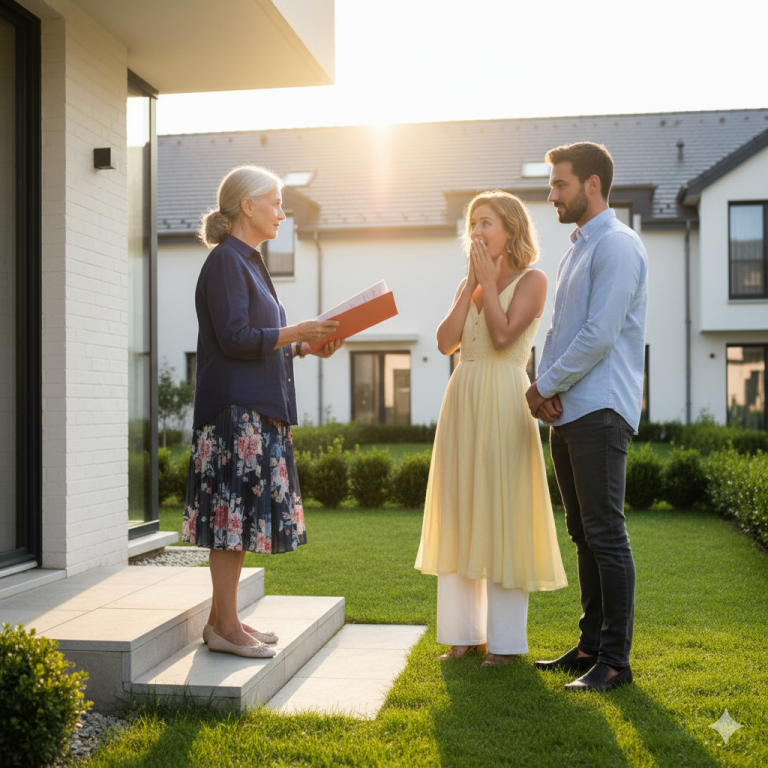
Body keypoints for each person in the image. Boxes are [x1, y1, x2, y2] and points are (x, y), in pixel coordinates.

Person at [182, 165, 343, 658]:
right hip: (235, 413)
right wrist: (297, 333)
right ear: (247, 206)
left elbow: (256, 344)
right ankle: (226, 628)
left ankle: (222, 623)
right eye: (274, 201)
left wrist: (304, 348)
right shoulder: (228, 261)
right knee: (231, 522)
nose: (281, 211)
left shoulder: (248, 261)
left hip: (253, 408)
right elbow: (233, 338)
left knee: (237, 521)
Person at [415, 191, 567, 667]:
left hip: (505, 396)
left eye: (486, 223)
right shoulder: (472, 282)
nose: (477, 231)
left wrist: (485, 279)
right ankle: (463, 635)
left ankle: (504, 644)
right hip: (462, 396)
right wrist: (469, 287)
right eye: (472, 223)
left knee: (503, 511)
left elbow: (503, 338)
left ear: (511, 229)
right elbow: (444, 342)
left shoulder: (533, 279)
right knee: (461, 509)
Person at [526, 142, 648, 691]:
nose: (552, 195)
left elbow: (598, 335)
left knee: (605, 532)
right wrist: (542, 387)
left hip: (600, 409)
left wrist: (544, 387)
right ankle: (591, 646)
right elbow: (557, 332)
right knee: (582, 532)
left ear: (592, 185)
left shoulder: (618, 246)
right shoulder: (576, 248)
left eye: (560, 185)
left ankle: (615, 661)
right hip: (569, 411)